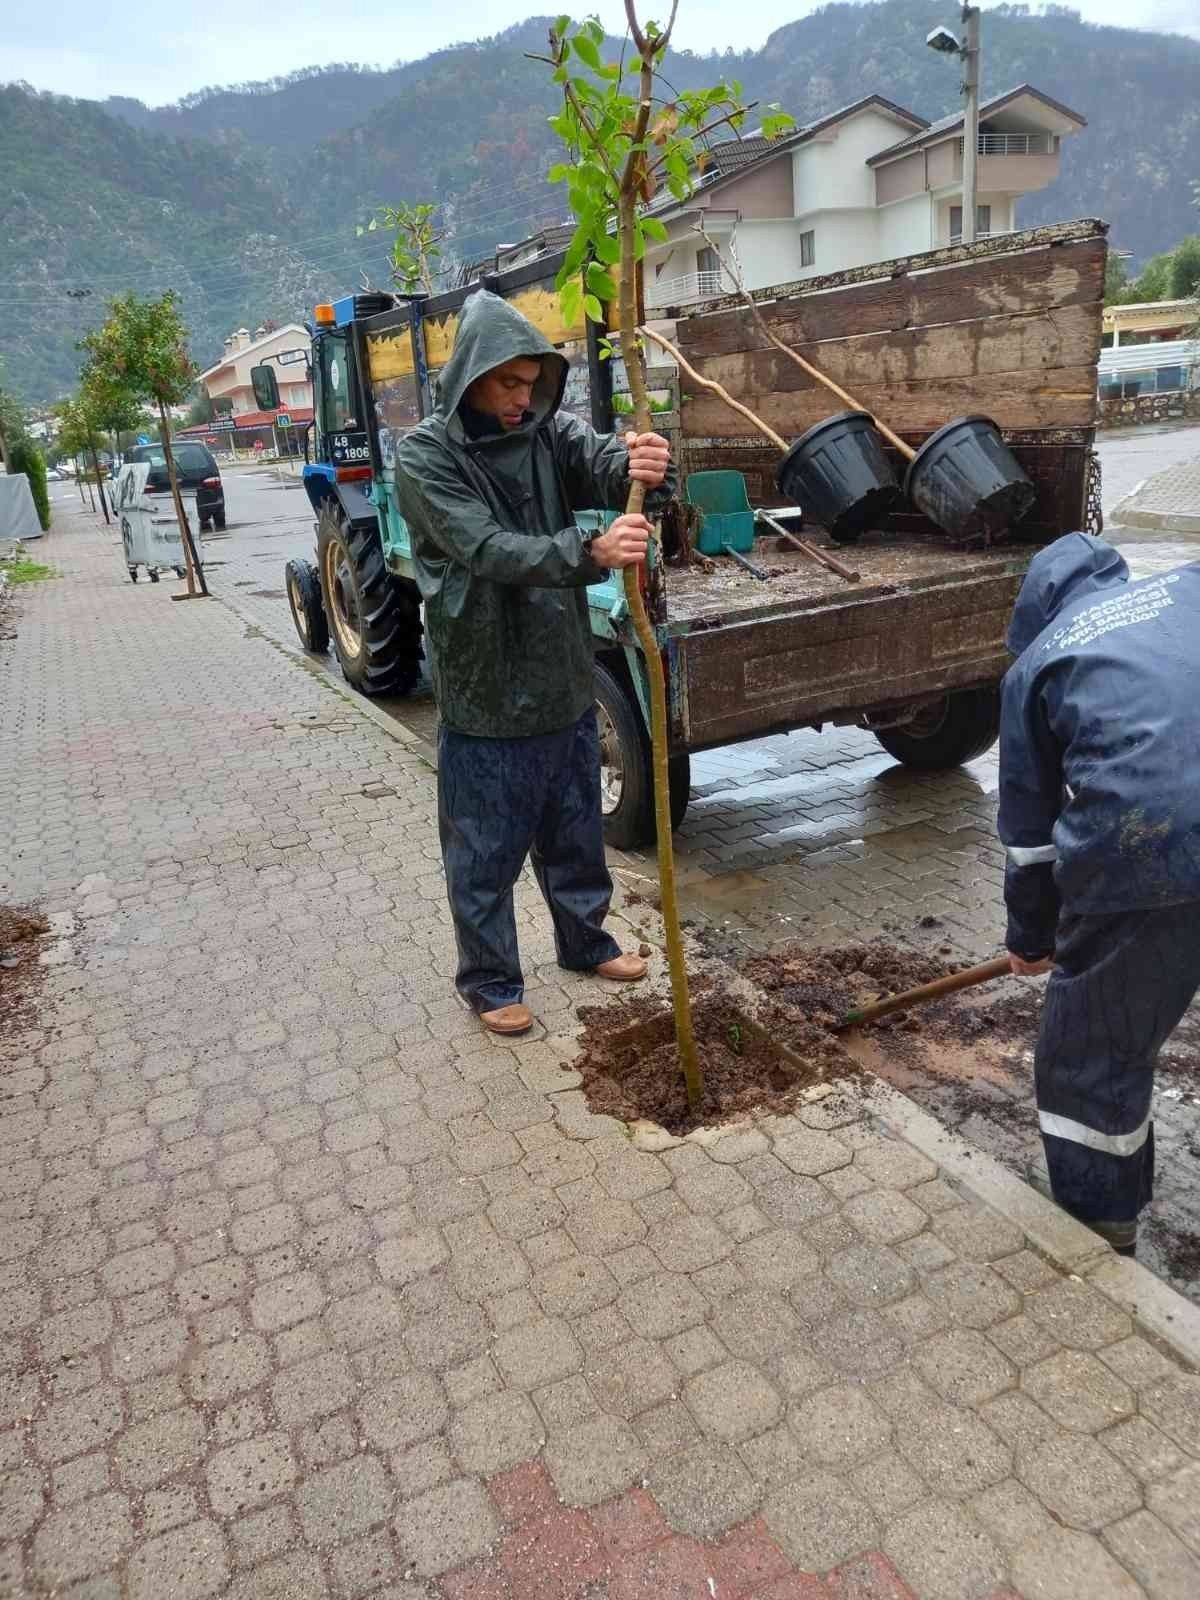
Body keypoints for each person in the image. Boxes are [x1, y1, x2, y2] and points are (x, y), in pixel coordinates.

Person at [395, 290, 675, 1037]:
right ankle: (489, 980)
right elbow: (484, 547)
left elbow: (604, 464)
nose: (523, 399)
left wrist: (641, 462)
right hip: (485, 683)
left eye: (532, 384)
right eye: (507, 384)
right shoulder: (425, 456)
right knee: (484, 850)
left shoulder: (550, 436)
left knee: (575, 828)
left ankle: (586, 942)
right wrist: (588, 554)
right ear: (471, 377)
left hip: (559, 671)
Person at [998, 532, 1200, 1253]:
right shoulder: (1187, 586)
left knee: (1092, 1051)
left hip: (1154, 855)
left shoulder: (1038, 665)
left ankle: (1098, 1220)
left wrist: (1031, 940)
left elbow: (1029, 840)